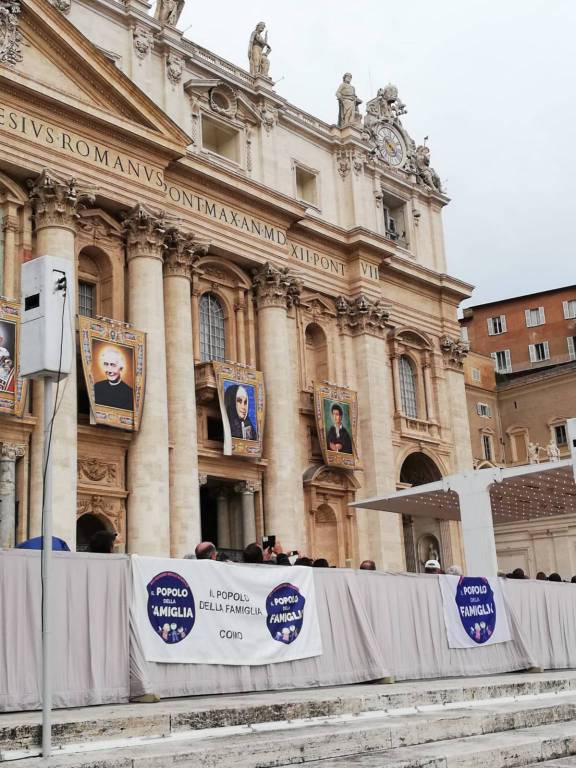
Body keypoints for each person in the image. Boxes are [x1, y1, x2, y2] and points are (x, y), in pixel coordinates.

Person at [93, 346, 134, 410]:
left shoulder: (129, 393)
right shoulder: (97, 387)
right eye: (106, 364)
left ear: (121, 368)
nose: (109, 370)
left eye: (113, 365)